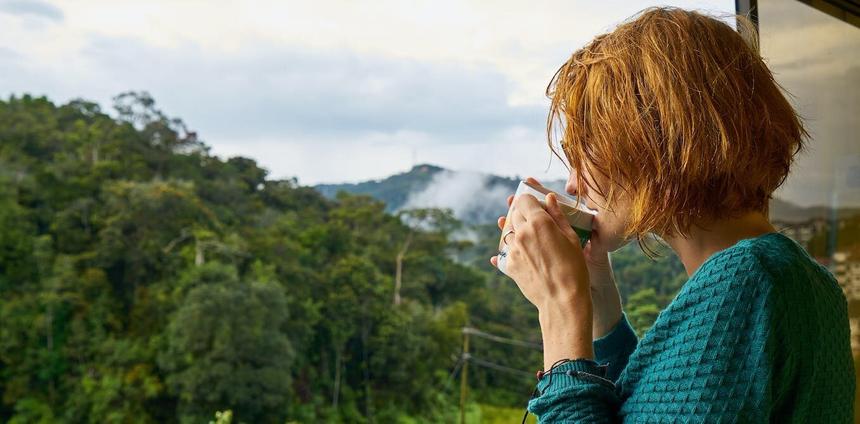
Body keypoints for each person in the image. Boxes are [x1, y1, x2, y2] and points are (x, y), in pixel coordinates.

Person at [489, 6, 856, 423]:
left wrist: (560, 308)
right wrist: (600, 302)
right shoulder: (802, 280)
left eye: (581, 156)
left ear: (646, 141)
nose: (572, 185)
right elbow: (653, 409)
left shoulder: (745, 281)